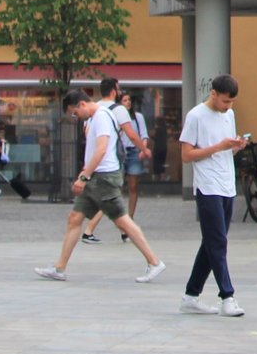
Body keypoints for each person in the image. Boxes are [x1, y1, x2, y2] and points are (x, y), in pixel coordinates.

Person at [35, 88, 166, 284]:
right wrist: (86, 173)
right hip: (96, 177)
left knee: (122, 221)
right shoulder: (95, 118)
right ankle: (59, 268)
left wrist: (84, 177)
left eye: (75, 112)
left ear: (82, 104)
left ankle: (154, 262)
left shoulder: (102, 117)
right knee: (75, 218)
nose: (76, 117)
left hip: (104, 178)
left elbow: (102, 150)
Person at [179, 74, 247, 316]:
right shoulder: (196, 115)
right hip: (207, 186)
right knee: (217, 241)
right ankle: (227, 296)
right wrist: (218, 147)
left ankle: (190, 295)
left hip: (227, 183)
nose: (228, 107)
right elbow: (186, 155)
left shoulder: (229, 115)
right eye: (225, 101)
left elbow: (225, 151)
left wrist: (235, 147)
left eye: (231, 103)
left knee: (212, 241)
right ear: (214, 94)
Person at [83, 78, 150, 243]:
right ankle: (89, 230)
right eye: (118, 89)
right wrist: (144, 149)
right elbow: (132, 134)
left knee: (110, 196)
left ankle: (124, 232)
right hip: (110, 160)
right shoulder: (118, 110)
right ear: (114, 91)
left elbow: (87, 133)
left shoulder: (94, 108)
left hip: (96, 160)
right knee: (109, 197)